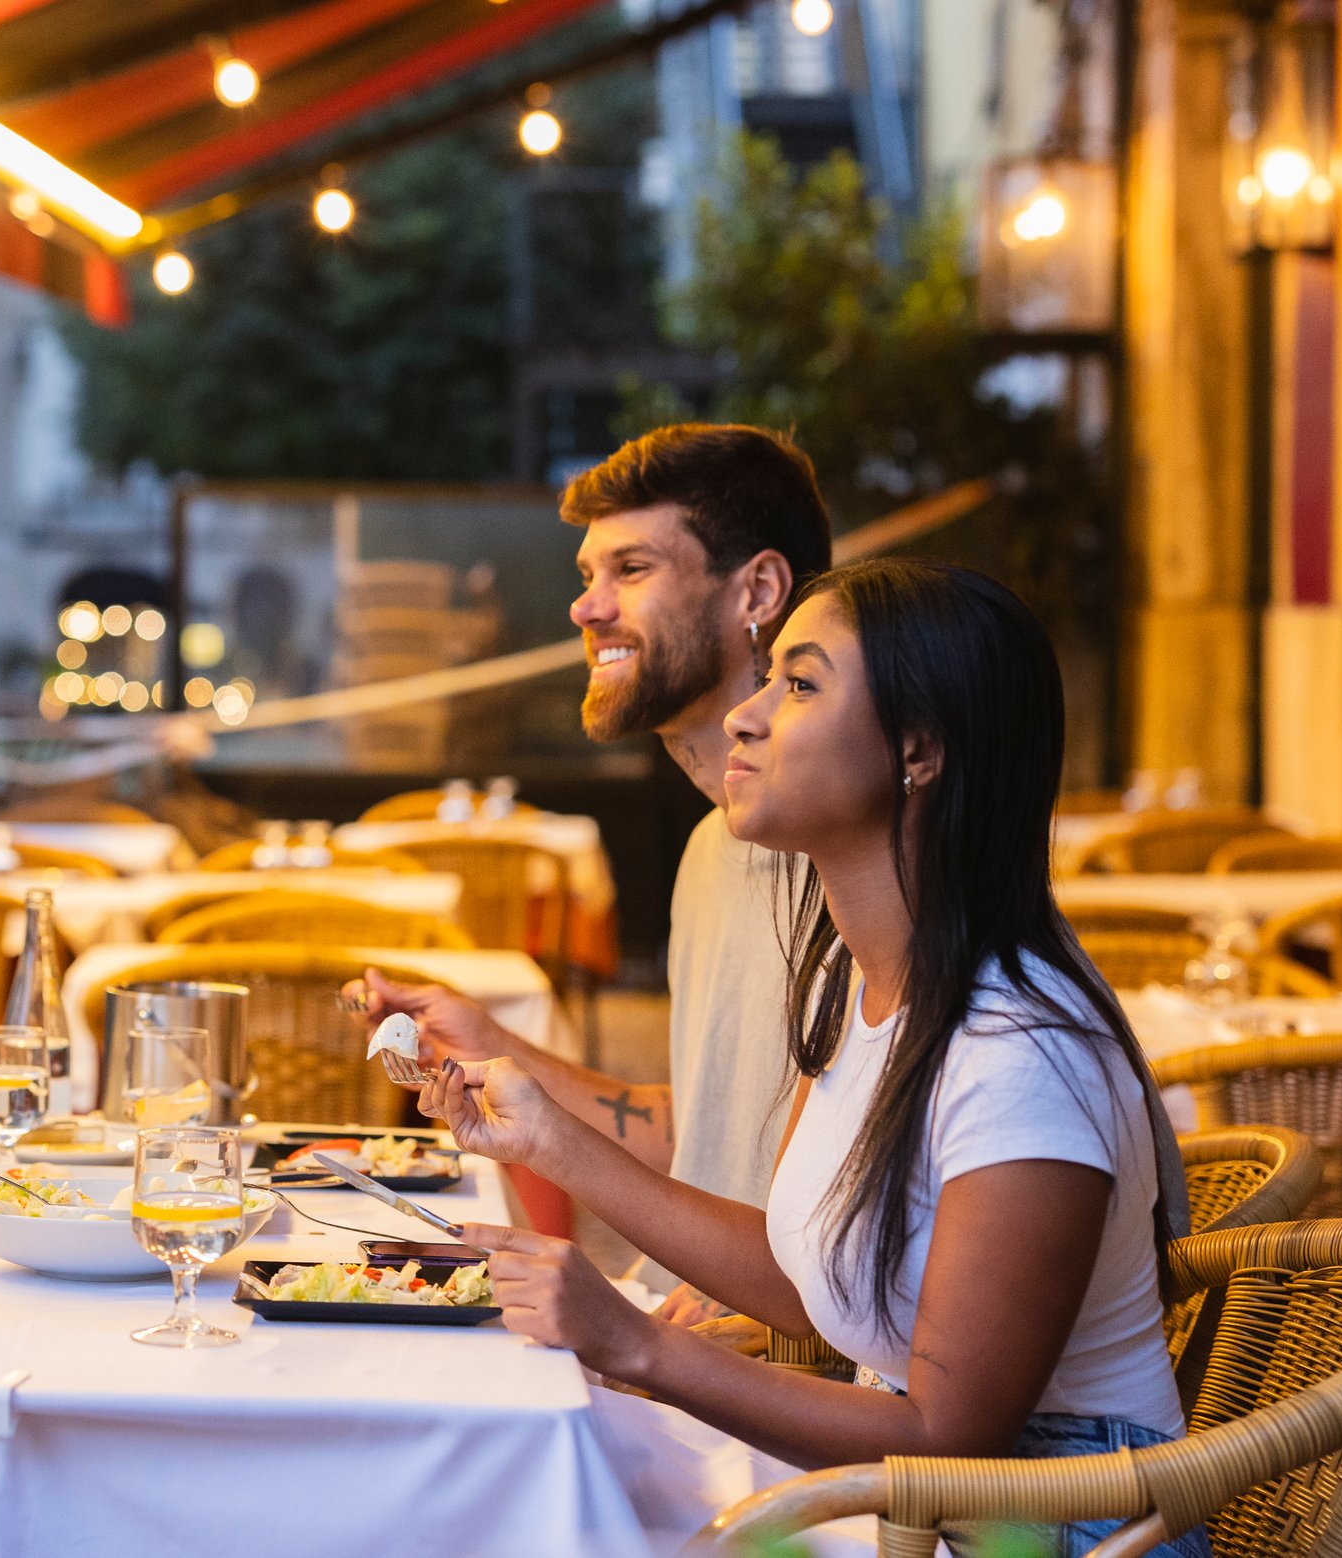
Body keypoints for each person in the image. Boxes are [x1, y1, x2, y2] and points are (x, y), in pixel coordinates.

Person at [428, 559, 1201, 1557]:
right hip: (905, 1500)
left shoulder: (1022, 1051)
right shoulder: (852, 976)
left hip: (1057, 1519)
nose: (746, 717)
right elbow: (810, 1280)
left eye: (797, 685)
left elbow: (950, 1436)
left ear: (917, 749)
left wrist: (634, 1342)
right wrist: (549, 1137)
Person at [350, 423, 831, 1316]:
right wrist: (492, 1045)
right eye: (586, 577)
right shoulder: (711, 851)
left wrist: (647, 1348)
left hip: (768, 1374)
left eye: (633, 570)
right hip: (691, 1329)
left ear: (758, 591)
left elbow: (852, 1259)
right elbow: (708, 1130)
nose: (586, 608)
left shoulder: (843, 860)